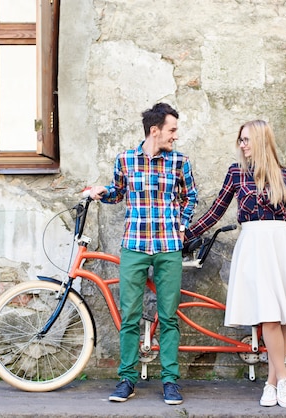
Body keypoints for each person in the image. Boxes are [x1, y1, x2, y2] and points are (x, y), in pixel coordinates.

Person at [185, 120, 286, 408]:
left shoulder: (284, 175)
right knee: (268, 315)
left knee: (277, 316)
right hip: (253, 243)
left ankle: (273, 382)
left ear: (261, 140)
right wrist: (187, 234)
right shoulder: (235, 174)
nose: (242, 144)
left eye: (247, 139)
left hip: (279, 243)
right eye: (240, 139)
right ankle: (282, 379)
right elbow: (216, 211)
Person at [89, 103, 198, 405]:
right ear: (155, 130)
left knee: (169, 316)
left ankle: (170, 381)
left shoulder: (179, 162)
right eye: (172, 129)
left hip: (168, 247)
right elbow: (118, 191)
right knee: (130, 316)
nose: (175, 135)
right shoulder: (125, 159)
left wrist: (182, 226)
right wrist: (102, 191)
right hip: (134, 246)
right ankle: (127, 379)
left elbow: (191, 196)